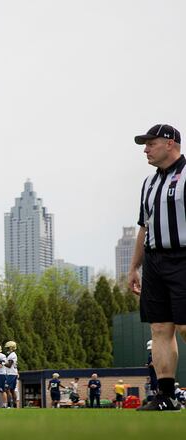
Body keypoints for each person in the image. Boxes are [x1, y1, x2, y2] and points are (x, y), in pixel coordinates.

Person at [129, 124, 186, 411]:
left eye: (151, 143)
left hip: (184, 257)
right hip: (154, 260)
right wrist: (133, 268)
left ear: (170, 143)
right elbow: (144, 226)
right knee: (160, 328)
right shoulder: (149, 183)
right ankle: (166, 395)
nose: (146, 149)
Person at [4, 341, 19, 408]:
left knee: (7, 388)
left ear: (11, 348)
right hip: (13, 373)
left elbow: (9, 365)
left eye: (8, 348)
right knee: (12, 390)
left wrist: (2, 363)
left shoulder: (12, 355)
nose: (7, 349)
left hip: (11, 374)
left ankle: (9, 405)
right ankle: (15, 405)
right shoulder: (12, 355)